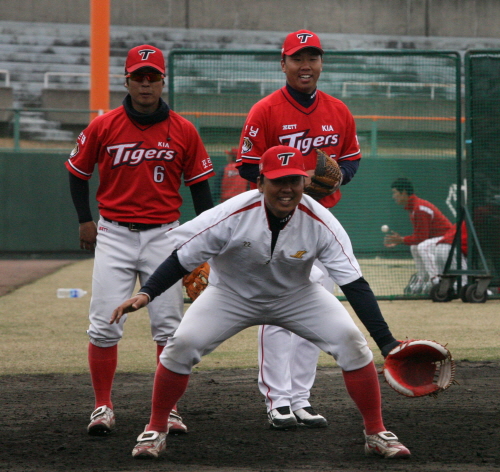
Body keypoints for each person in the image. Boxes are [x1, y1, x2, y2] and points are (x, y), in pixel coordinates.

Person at [111, 145, 411, 460]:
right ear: (260, 183)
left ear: (304, 183)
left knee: (352, 343)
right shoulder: (231, 213)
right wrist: (148, 292)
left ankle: (376, 432)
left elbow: (354, 284)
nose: (286, 189)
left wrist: (386, 341)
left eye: (294, 180)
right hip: (230, 294)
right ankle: (155, 429)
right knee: (181, 345)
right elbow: (181, 259)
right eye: (278, 181)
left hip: (296, 295)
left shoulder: (320, 221)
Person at [236, 30, 398, 430]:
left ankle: (302, 398)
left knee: (315, 311)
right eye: (297, 58)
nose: (305, 66)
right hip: (275, 219)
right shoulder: (266, 110)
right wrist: (290, 180)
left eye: (313, 58)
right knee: (276, 312)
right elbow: (246, 166)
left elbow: (351, 161)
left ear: (321, 63)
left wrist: (334, 176)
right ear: (283, 63)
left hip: (320, 221)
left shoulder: (338, 110)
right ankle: (277, 400)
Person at [65, 44, 215, 437]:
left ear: (163, 81)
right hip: (113, 232)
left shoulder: (184, 129)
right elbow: (77, 173)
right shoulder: (104, 125)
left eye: (153, 78)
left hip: (166, 235)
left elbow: (201, 189)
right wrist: (85, 220)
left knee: (169, 328)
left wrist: (202, 240)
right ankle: (102, 406)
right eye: (139, 77)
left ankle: (168, 410)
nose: (146, 85)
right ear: (127, 80)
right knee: (103, 326)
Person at [384, 177, 453, 294]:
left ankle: (436, 281)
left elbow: (421, 238)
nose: (393, 196)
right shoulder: (413, 208)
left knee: (422, 246)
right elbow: (419, 237)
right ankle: (422, 278)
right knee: (414, 247)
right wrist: (402, 240)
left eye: (395, 193)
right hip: (438, 241)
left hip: (448, 240)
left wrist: (402, 239)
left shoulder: (419, 208)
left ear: (404, 192)